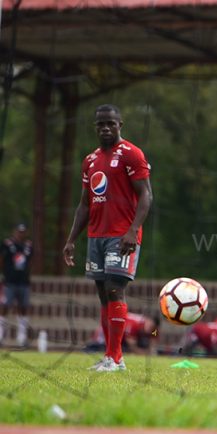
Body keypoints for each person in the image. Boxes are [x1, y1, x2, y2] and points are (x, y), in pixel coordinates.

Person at [63, 104, 153, 372]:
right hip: (96, 236)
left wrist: (132, 231)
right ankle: (111, 356)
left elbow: (147, 195)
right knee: (103, 295)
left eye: (110, 124)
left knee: (116, 289)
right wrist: (70, 240)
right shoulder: (90, 160)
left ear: (120, 125)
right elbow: (84, 205)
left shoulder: (131, 154)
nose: (105, 128)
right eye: (100, 124)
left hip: (122, 235)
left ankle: (115, 358)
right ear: (96, 127)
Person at [0, 224, 33, 346]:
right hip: (9, 281)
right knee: (5, 306)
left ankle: (22, 337)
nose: (21, 234)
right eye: (19, 232)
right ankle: (0, 334)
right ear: (14, 232)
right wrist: (4, 274)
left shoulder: (28, 246)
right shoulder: (7, 244)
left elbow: (30, 262)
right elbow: (2, 259)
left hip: (23, 282)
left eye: (23, 232)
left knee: (23, 307)